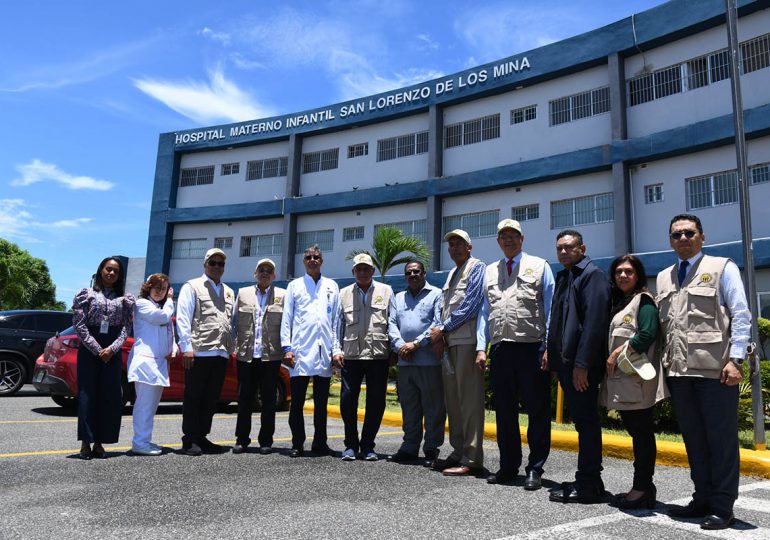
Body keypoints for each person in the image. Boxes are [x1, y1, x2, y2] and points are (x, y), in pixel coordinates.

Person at [658, 214, 750, 530]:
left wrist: (736, 360)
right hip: (680, 373)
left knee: (721, 442)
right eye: (676, 234)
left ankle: (723, 506)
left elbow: (740, 315)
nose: (683, 238)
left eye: (689, 232)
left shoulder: (722, 267)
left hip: (716, 371)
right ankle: (702, 498)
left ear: (701, 236)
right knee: (695, 440)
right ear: (670, 240)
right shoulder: (663, 277)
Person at [476, 219, 554, 490]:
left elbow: (551, 307)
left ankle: (535, 468)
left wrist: (548, 347)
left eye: (513, 236)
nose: (508, 240)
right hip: (500, 349)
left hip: (532, 347)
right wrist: (480, 348)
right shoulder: (489, 271)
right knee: (504, 412)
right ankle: (509, 466)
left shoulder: (540, 266)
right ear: (498, 241)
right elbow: (484, 312)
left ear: (522, 239)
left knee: (537, 411)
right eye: (503, 236)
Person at [547, 230, 610, 504]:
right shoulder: (566, 276)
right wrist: (550, 355)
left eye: (569, 247)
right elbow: (559, 321)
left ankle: (589, 484)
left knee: (587, 423)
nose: (563, 252)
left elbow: (594, 323)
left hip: (581, 365)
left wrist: (582, 364)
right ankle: (587, 479)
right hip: (565, 364)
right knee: (582, 424)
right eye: (559, 248)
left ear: (582, 248)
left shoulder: (592, 275)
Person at [600, 255, 665, 508]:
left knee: (642, 435)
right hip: (622, 380)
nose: (623, 276)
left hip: (637, 380)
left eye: (629, 271)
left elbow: (648, 333)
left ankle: (641, 489)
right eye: (618, 272)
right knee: (637, 432)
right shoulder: (618, 303)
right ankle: (645, 488)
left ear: (638, 275)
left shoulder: (644, 301)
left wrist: (618, 352)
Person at [429, 229, 486, 476]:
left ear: (469, 246)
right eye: (451, 244)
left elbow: (471, 304)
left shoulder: (477, 267)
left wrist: (442, 328)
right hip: (449, 343)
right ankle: (458, 450)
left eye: (459, 243)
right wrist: (438, 332)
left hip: (466, 342)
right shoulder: (452, 273)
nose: (455, 248)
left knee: (469, 401)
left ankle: (472, 458)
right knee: (453, 401)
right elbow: (442, 307)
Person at [281, 244, 342, 457]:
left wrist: (336, 350)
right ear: (303, 261)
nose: (313, 260)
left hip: (323, 352)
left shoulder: (331, 286)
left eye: (316, 256)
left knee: (321, 403)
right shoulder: (295, 286)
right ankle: (297, 443)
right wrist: (287, 348)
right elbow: (286, 318)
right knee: (296, 402)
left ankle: (320, 443)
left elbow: (335, 321)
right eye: (308, 257)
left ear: (322, 260)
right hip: (299, 352)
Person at [72, 256, 135, 460]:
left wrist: (112, 349)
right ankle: (85, 443)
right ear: (101, 270)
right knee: (87, 395)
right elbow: (79, 325)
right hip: (91, 349)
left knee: (109, 396)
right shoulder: (86, 294)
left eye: (116, 271)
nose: (111, 273)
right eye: (108, 269)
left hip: (113, 351)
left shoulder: (124, 299)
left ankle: (100, 443)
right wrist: (98, 349)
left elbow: (126, 328)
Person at [387, 259, 446, 468]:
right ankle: (409, 446)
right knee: (409, 407)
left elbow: (437, 324)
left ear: (424, 274)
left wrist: (416, 345)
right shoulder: (398, 297)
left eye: (417, 272)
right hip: (405, 363)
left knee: (433, 407)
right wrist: (401, 346)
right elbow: (391, 324)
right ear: (405, 276)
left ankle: (431, 447)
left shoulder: (436, 294)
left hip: (428, 361)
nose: (413, 275)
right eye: (409, 273)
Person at [176, 248, 234, 456]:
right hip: (199, 351)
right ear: (205, 264)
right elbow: (183, 318)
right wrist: (187, 348)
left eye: (221, 264)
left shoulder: (228, 291)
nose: (217, 267)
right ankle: (189, 438)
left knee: (211, 397)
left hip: (220, 352)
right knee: (194, 396)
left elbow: (229, 322)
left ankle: (202, 436)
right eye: (213, 263)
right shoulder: (192, 286)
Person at [337, 253, 394, 461]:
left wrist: (393, 350)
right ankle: (350, 445)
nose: (362, 272)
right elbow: (338, 325)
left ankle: (368, 445)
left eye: (366, 269)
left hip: (378, 354)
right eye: (358, 269)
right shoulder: (343, 293)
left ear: (373, 271)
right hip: (351, 354)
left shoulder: (386, 291)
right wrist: (337, 350)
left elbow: (392, 322)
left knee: (376, 401)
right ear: (353, 272)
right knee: (347, 400)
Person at [231, 258, 285, 455]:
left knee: (269, 400)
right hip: (246, 355)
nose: (264, 273)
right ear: (255, 274)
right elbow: (234, 322)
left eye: (269, 270)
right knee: (244, 398)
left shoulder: (282, 295)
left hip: (270, 356)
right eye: (261, 270)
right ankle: (242, 439)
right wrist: (234, 347)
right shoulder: (243, 293)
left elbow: (286, 325)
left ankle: (265, 440)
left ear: (274, 276)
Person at [127, 273, 176, 456]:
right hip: (146, 363)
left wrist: (174, 349)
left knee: (151, 406)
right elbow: (161, 318)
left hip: (158, 364)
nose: (159, 292)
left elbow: (169, 333)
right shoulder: (143, 304)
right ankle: (139, 443)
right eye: (156, 288)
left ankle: (144, 440)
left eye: (163, 289)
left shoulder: (158, 306)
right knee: (144, 405)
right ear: (148, 287)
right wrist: (171, 300)